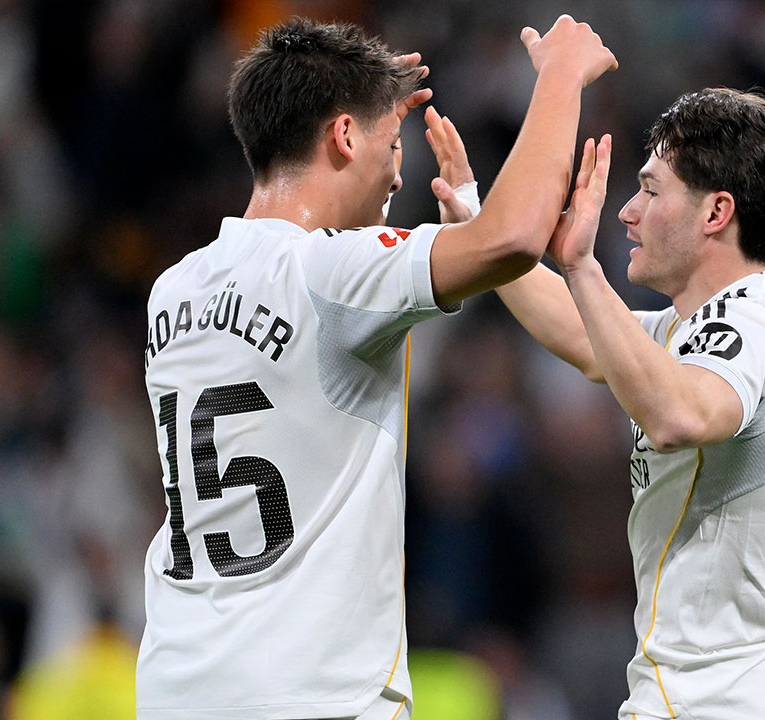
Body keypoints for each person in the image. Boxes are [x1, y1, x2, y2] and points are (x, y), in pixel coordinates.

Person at [136, 15, 616, 720]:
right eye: (392, 145)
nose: (398, 173)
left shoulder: (173, 290)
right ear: (344, 136)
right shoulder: (334, 272)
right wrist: (560, 78)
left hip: (178, 684)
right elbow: (513, 239)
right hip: (312, 697)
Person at [478, 88, 765, 718]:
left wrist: (582, 267)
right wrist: (482, 232)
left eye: (652, 190)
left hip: (721, 697)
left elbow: (678, 416)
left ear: (716, 212)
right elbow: (590, 340)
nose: (628, 212)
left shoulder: (746, 330)